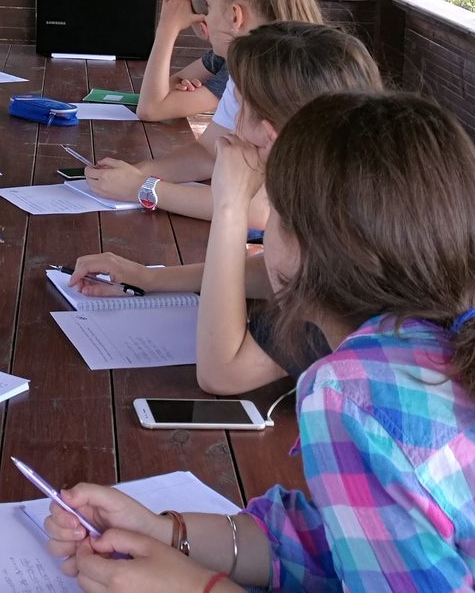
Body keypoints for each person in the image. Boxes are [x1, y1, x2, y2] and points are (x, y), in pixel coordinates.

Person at [44, 92, 475, 592]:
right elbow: (354, 536)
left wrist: (195, 587)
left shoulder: (350, 394)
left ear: (297, 250)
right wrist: (172, 532)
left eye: (270, 211)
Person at [69, 22, 382, 395]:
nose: (232, 124)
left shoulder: (356, 240)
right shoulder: (342, 192)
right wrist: (149, 279)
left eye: (240, 108)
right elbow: (278, 273)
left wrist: (230, 206)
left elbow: (222, 374)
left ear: (270, 135)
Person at [83, 0, 322, 217]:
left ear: (235, 16)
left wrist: (142, 187)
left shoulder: (289, 78)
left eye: (209, 9)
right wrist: (132, 173)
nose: (204, 19)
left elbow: (258, 210)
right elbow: (208, 152)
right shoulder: (247, 69)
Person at [134, 0, 230, 123]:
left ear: (202, 25)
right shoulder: (222, 55)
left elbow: (149, 110)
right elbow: (166, 87)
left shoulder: (241, 66)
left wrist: (167, 27)